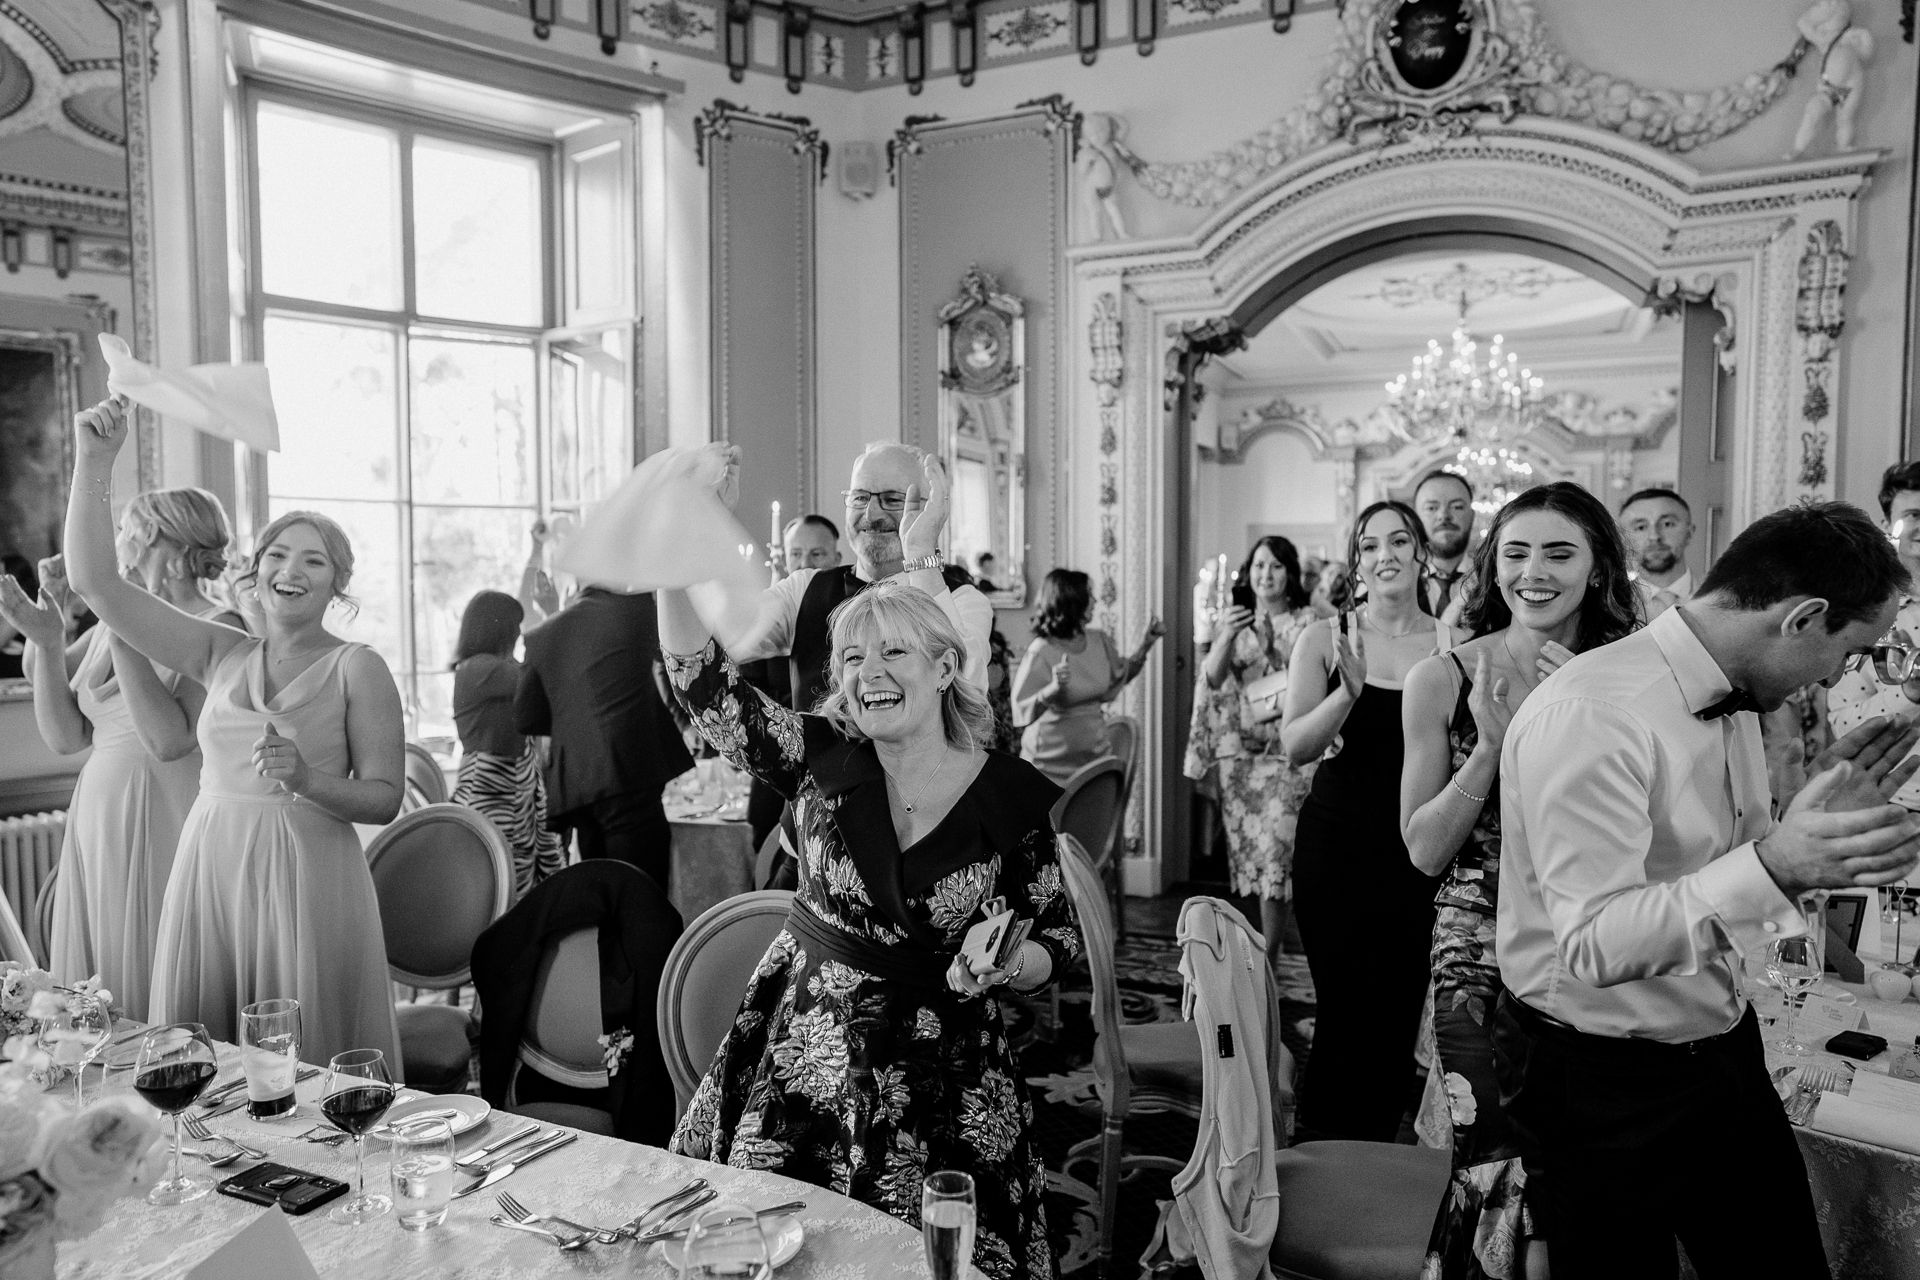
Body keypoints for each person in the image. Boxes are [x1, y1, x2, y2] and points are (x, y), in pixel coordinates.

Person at [1497, 500, 1920, 1280]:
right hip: (1596, 1081)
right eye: (1845, 652)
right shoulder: (1596, 713)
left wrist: (1803, 832)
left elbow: (1721, 873)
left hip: (1720, 1049)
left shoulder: (1731, 694)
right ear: (1804, 618)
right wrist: (1780, 866)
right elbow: (1594, 944)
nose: (1831, 679)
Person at [659, 578, 1078, 1280]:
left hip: (944, 1083)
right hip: (805, 1067)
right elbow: (707, 690)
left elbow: (1057, 936)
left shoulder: (1007, 795)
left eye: (892, 652)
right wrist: (667, 567)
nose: (869, 673)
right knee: (778, 1252)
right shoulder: (818, 757)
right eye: (851, 659)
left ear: (946, 669)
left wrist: (1008, 964)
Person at [60, 397, 405, 1066]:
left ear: (338, 582)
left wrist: (305, 779)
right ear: (256, 569)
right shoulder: (221, 652)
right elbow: (97, 582)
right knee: (202, 1054)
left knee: (301, 1063)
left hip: (309, 874)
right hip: (210, 862)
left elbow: (386, 797)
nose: (290, 570)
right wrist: (96, 463)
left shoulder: (357, 667)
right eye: (278, 554)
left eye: (313, 561)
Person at [1400, 483, 1640, 1280]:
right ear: (1491, 566)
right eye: (1517, 553)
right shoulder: (1441, 678)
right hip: (1475, 942)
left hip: (1593, 933)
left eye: (1560, 552)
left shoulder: (1626, 675)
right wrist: (1492, 746)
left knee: (1581, 1163)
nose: (1535, 572)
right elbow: (1423, 852)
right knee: (1494, 1155)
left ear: (1598, 566)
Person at [0, 489, 243, 1013]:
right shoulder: (110, 622)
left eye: (123, 532)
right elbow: (65, 735)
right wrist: (48, 632)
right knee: (101, 978)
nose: (117, 545)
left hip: (170, 811)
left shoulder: (221, 624)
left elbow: (171, 739)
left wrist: (123, 621)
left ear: (151, 537)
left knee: (164, 972)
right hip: (99, 815)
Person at [1282, 500, 1454, 1141]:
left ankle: (1377, 1149)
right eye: (1372, 544)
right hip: (1335, 849)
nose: (1387, 554)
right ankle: (1319, 1153)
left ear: (1420, 555)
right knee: (1345, 1010)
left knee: (1397, 1010)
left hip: (1416, 854)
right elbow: (1295, 746)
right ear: (1358, 560)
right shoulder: (1323, 638)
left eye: (1400, 541)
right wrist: (1347, 693)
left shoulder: (1450, 643)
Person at [736, 442, 993, 713]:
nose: (871, 514)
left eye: (893, 499)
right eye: (860, 498)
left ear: (930, 510)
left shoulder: (963, 599)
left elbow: (966, 692)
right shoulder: (804, 589)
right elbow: (725, 636)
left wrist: (920, 553)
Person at [515, 580, 693, 892]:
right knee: (643, 897)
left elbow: (526, 716)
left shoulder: (542, 634)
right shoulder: (633, 608)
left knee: (601, 899)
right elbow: (677, 656)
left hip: (579, 788)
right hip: (629, 779)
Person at [1193, 536, 1317, 972]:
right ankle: (1261, 955)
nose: (1266, 574)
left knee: (1278, 854)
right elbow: (1212, 679)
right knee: (1258, 858)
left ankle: (1271, 954)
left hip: (1289, 758)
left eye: (1276, 566)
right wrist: (1226, 634)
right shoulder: (1235, 621)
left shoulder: (1308, 621)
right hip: (1243, 758)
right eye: (1259, 566)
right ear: (1248, 573)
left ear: (1290, 574)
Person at [450, 590, 565, 899]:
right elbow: (542, 673)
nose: (518, 632)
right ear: (497, 628)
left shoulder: (492, 668)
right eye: (515, 624)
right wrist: (552, 613)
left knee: (516, 882)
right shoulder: (480, 669)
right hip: (490, 791)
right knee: (499, 887)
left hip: (513, 789)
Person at [1826, 460, 1920, 811]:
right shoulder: (1863, 611)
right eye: (1913, 514)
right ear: (1888, 525)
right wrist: (1909, 695)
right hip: (1896, 803)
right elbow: (1843, 725)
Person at [1011, 568, 1162, 785]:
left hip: (1095, 758)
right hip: (1047, 766)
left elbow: (1120, 675)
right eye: (1089, 595)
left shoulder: (1099, 641)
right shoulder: (1041, 651)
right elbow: (1021, 709)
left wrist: (1147, 643)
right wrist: (1052, 689)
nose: (1096, 600)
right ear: (1071, 601)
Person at [1619, 487, 1695, 620]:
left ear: (1689, 533)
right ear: (1623, 539)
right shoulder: (1610, 607)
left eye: (1667, 524)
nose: (1654, 536)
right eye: (1641, 527)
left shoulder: (1720, 598)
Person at [1414, 471, 1476, 620]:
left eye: (1457, 507)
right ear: (1415, 518)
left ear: (1472, 516)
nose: (1444, 515)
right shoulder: (1397, 583)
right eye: (1431, 508)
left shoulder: (1493, 581)